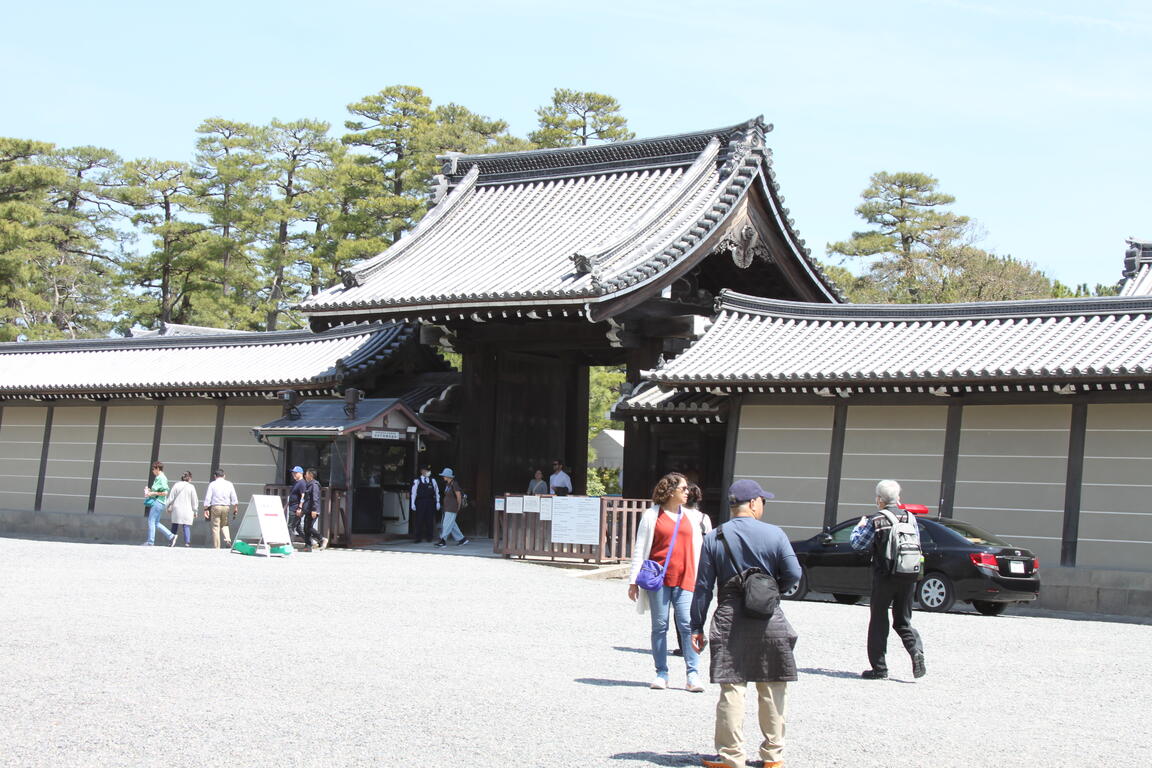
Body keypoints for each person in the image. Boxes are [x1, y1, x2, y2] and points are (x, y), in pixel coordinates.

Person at [690, 479, 801, 768]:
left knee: (732, 687)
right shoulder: (775, 534)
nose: (763, 505)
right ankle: (773, 757)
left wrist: (696, 626)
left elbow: (703, 587)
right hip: (768, 616)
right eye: (763, 500)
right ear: (753, 503)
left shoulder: (715, 537)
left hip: (729, 616)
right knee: (773, 685)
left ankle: (731, 756)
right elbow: (794, 573)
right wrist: (769, 591)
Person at [628, 472, 712, 692]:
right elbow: (641, 548)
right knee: (660, 626)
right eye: (683, 488)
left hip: (687, 577)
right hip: (659, 578)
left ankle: (693, 674)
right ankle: (661, 673)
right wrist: (633, 580)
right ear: (671, 490)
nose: (687, 492)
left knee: (688, 624)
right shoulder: (652, 515)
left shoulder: (693, 517)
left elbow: (700, 549)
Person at [850, 479, 926, 680]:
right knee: (903, 620)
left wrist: (859, 527)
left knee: (879, 619)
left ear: (879, 500)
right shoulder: (911, 518)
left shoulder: (876, 520)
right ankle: (916, 650)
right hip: (908, 575)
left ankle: (879, 668)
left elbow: (858, 545)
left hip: (885, 576)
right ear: (898, 498)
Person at [202, 468, 239, 549]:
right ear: (224, 476)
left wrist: (206, 509)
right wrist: (235, 507)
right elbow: (234, 496)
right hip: (226, 507)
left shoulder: (212, 484)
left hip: (216, 506)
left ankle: (217, 547)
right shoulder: (229, 484)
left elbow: (208, 497)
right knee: (225, 524)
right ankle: (228, 540)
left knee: (216, 526)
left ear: (215, 476)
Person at [434, 468, 470, 548]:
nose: (443, 477)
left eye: (444, 475)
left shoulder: (454, 484)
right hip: (448, 507)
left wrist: (458, 506)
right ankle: (462, 539)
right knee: (452, 525)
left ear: (448, 476)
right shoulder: (448, 484)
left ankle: (443, 540)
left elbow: (458, 496)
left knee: (446, 524)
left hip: (452, 507)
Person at [143, 461, 176, 546]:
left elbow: (165, 492)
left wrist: (152, 493)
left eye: (153, 469)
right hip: (160, 502)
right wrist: (149, 491)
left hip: (158, 502)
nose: (153, 471)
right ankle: (171, 536)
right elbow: (158, 490)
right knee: (156, 522)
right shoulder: (159, 477)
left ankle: (150, 542)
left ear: (158, 468)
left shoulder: (161, 478)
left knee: (151, 521)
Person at [166, 471, 198, 547]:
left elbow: (171, 497)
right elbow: (194, 500)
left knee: (175, 524)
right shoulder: (191, 487)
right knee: (186, 526)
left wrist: (167, 506)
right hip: (188, 509)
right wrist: (195, 510)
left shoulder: (176, 485)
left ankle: (171, 541)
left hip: (177, 508)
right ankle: (187, 542)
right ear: (190, 478)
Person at [299, 467, 327, 551]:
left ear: (310, 475)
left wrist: (314, 510)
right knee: (306, 528)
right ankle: (308, 546)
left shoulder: (314, 485)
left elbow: (315, 498)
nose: (305, 475)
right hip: (308, 509)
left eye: (306, 474)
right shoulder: (308, 484)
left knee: (309, 527)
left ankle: (322, 539)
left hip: (312, 510)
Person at [410, 465, 439, 543]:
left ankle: (429, 537)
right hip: (420, 502)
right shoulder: (417, 481)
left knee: (429, 520)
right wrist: (412, 503)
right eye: (424, 470)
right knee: (419, 520)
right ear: (421, 471)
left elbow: (437, 492)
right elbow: (413, 493)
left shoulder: (432, 480)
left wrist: (438, 502)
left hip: (430, 502)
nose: (426, 472)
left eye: (427, 470)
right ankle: (417, 537)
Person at [286, 466, 306, 538]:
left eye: (295, 473)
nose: (293, 474)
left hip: (296, 508)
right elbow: (292, 495)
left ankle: (290, 544)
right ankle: (310, 541)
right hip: (292, 506)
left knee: (290, 526)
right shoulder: (296, 483)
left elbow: (303, 496)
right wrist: (286, 506)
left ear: (301, 473)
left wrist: (300, 508)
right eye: (293, 473)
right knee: (298, 527)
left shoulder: (302, 483)